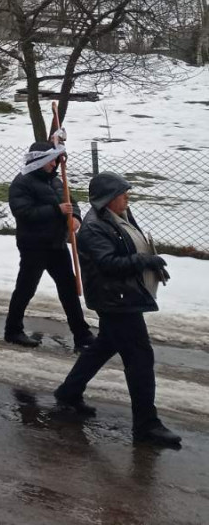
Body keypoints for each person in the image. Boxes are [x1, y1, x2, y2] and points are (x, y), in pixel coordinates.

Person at [54, 173, 180, 448]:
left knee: (103, 346)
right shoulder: (94, 227)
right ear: (108, 199)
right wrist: (144, 260)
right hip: (116, 301)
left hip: (121, 296)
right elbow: (108, 262)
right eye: (123, 193)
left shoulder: (117, 218)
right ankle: (146, 425)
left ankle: (68, 392)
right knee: (140, 359)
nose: (127, 197)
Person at [6, 141, 95, 350]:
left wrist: (75, 217)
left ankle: (81, 334)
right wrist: (57, 210)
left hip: (56, 244)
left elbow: (70, 203)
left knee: (69, 289)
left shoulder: (56, 181)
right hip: (34, 245)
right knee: (26, 289)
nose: (55, 163)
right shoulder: (22, 183)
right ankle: (12, 330)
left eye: (56, 159)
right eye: (52, 160)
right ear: (40, 161)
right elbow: (23, 213)